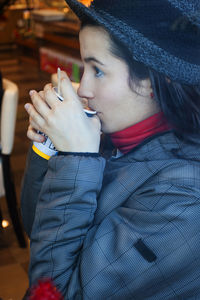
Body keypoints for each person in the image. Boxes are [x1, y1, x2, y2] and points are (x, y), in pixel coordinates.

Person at [21, 0, 200, 298]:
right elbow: (37, 227)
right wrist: (50, 149)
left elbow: (53, 292)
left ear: (151, 81)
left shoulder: (183, 198)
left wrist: (77, 158)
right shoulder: (111, 138)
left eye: (98, 70)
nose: (83, 89)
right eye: (84, 67)